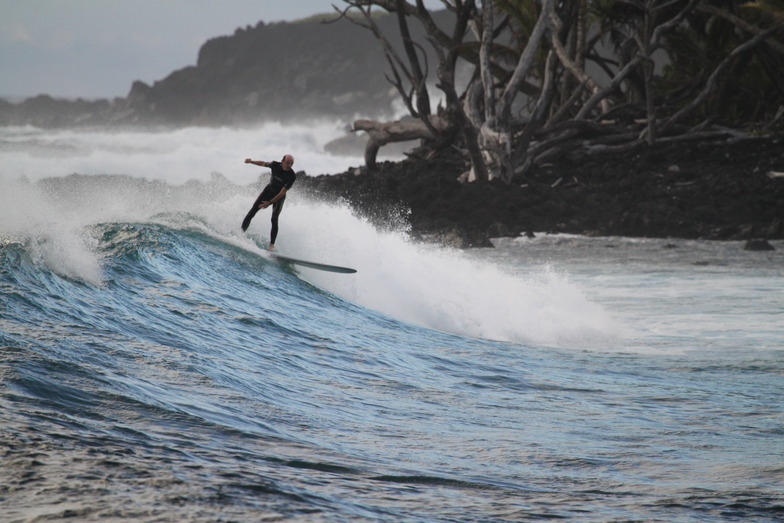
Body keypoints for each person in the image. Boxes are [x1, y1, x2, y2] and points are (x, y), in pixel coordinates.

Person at [241, 154, 296, 251]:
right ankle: (240, 233)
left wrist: (269, 203)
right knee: (252, 211)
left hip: (279, 197)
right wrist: (251, 161)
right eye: (288, 162)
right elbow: (263, 163)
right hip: (268, 191)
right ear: (282, 161)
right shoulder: (275, 165)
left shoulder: (292, 176)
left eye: (291, 163)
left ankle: (271, 245)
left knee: (274, 219)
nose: (289, 165)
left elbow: (282, 192)